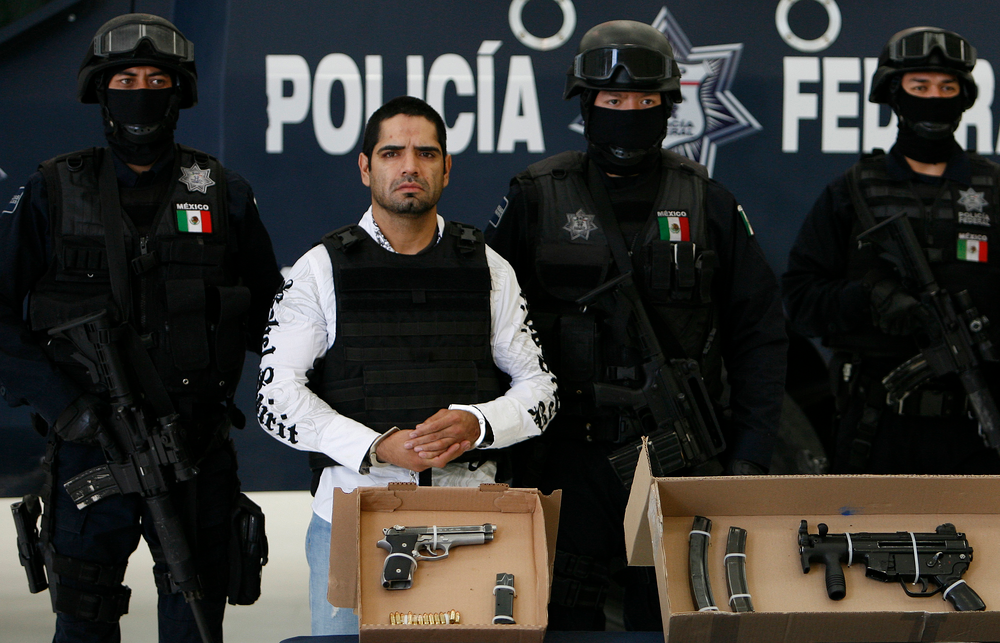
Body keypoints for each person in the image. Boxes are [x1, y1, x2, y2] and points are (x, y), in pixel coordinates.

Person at [485, 20, 787, 631]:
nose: (628, 114)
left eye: (645, 102)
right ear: (586, 104)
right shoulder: (536, 197)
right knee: (562, 619)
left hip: (674, 455)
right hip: (562, 453)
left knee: (670, 618)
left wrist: (751, 458)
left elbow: (759, 333)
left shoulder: (708, 201)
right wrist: (498, 454)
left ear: (668, 107)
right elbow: (485, 328)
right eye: (614, 100)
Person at [0, 13, 282, 643]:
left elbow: (276, 322)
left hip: (194, 451)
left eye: (157, 79)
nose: (142, 92)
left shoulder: (223, 194)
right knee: (84, 621)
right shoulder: (53, 190)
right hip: (89, 446)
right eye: (125, 79)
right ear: (100, 91)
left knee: (194, 622)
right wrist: (64, 405)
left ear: (179, 93)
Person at [256, 95, 558, 635]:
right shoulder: (319, 270)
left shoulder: (489, 267)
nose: (410, 166)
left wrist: (479, 423)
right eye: (392, 152)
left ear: (447, 167)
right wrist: (375, 447)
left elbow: (541, 389)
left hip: (472, 515)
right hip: (353, 514)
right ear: (365, 167)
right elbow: (275, 398)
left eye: (426, 153)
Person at [783, 27, 1000, 476]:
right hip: (874, 426)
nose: (934, 98)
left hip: (974, 425)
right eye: (920, 86)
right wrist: (870, 299)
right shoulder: (852, 190)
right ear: (893, 93)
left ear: (964, 98)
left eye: (947, 88)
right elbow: (801, 302)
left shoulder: (992, 190)